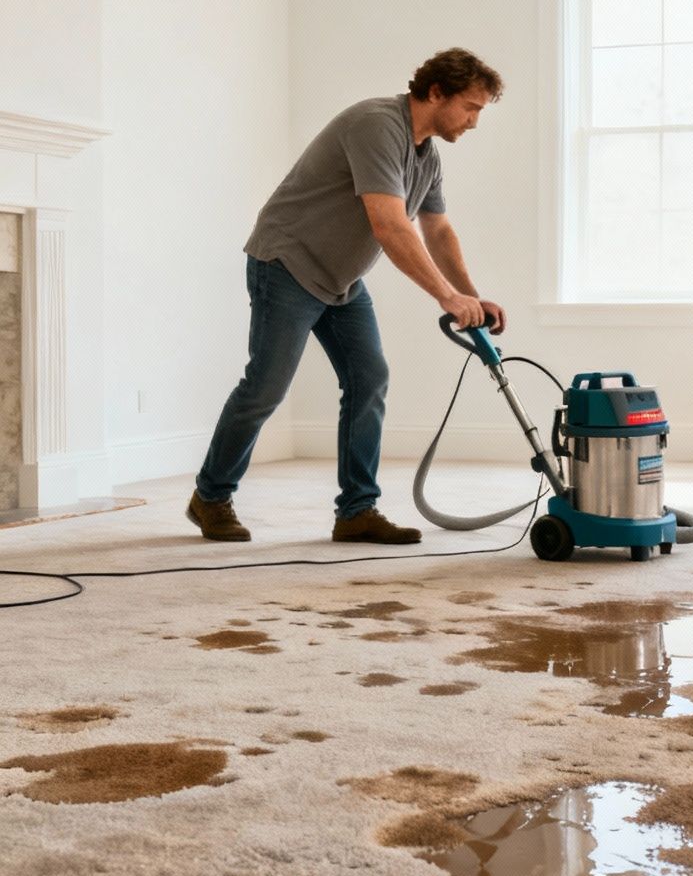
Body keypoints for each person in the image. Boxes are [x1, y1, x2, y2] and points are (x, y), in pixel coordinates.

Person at [188, 48, 506, 543]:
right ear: (437, 92)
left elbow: (437, 230)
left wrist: (472, 296)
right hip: (287, 264)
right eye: (471, 107)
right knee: (266, 387)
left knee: (369, 378)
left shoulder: (428, 156)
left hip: (340, 280)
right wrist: (446, 297)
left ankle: (357, 510)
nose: (474, 121)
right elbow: (389, 226)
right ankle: (210, 496)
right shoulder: (376, 125)